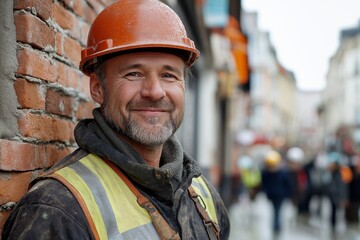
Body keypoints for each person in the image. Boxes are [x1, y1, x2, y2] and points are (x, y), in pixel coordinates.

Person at [2, 1, 230, 239]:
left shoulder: (203, 194)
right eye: (134, 73)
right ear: (98, 88)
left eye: (168, 75)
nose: (155, 91)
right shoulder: (58, 210)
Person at [261, 150, 291, 236]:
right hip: (279, 195)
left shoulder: (266, 172)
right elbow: (287, 183)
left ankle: (276, 226)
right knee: (277, 210)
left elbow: (263, 184)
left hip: (274, 195)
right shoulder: (281, 173)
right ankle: (277, 226)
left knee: (275, 210)